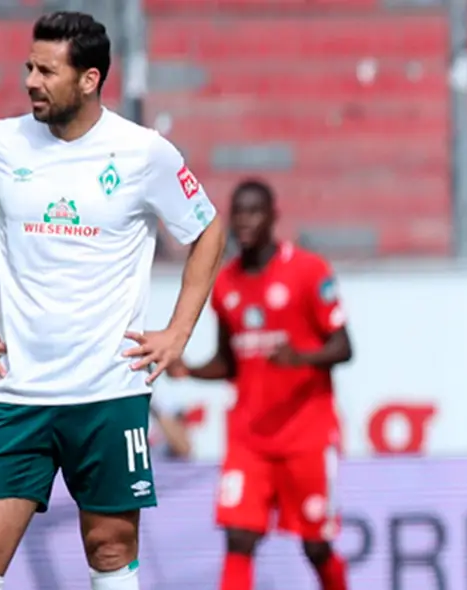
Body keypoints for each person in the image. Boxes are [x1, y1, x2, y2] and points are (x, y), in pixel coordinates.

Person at [0, 11, 225, 590]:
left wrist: (177, 333)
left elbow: (206, 231)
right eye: (29, 67)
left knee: (110, 546)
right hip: (19, 393)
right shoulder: (1, 142)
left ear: (89, 79)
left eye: (46, 70)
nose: (31, 81)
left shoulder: (143, 152)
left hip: (109, 393)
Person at [168, 179, 353, 590]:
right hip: (250, 440)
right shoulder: (227, 285)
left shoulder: (308, 271)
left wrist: (300, 358)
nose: (245, 221)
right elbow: (230, 362)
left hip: (305, 434)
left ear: (273, 216)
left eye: (254, 212)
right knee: (238, 538)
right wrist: (190, 370)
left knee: (315, 546)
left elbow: (343, 347)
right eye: (238, 213)